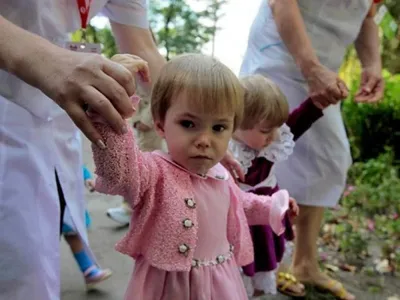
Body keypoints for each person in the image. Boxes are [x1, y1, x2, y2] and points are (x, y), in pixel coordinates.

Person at [90, 53, 299, 300]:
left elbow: (238, 204)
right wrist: (112, 103)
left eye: (218, 128)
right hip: (168, 286)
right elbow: (119, 172)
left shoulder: (220, 173)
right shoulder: (154, 172)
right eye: (189, 124)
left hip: (220, 283)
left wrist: (273, 207)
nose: (204, 140)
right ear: (160, 124)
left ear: (232, 129)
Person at [0, 1, 165, 299]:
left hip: (50, 113)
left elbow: (144, 50)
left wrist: (203, 114)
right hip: (20, 81)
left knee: (34, 259)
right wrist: (44, 59)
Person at [239, 1, 384, 299]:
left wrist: (373, 65)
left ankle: (303, 262)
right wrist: (311, 68)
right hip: (278, 54)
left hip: (326, 66)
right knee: (262, 153)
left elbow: (367, 16)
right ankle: (252, 257)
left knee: (329, 159)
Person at [230, 74, 337, 297]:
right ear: (235, 123)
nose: (275, 136)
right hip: (239, 221)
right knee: (236, 271)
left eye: (276, 127)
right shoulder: (226, 153)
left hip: (265, 221)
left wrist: (317, 103)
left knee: (264, 262)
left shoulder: (271, 141)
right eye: (266, 130)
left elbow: (295, 122)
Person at [62, 164, 112, 290]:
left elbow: (70, 158)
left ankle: (88, 270)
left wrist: (87, 178)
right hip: (40, 198)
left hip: (64, 196)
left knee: (72, 233)